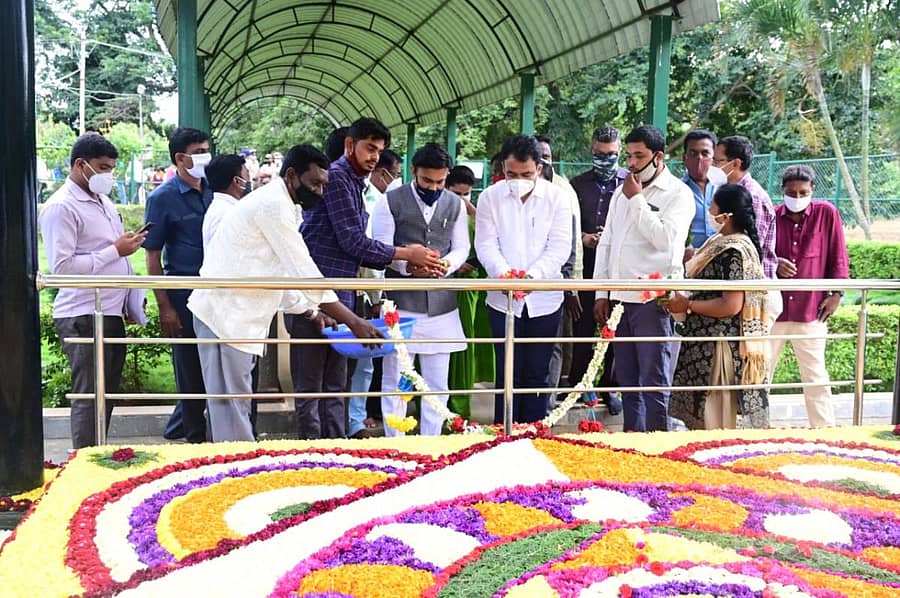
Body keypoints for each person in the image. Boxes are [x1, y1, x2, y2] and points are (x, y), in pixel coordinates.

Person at [188, 145, 382, 442]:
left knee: (230, 405)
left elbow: (280, 273)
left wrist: (311, 311)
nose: (320, 192)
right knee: (231, 405)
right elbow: (305, 272)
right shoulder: (273, 205)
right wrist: (355, 322)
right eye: (314, 183)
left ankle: (231, 467)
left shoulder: (283, 204)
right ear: (292, 175)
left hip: (233, 316)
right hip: (225, 316)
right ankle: (239, 470)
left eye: (324, 185)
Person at [295, 117, 442, 439]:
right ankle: (312, 454)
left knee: (336, 382)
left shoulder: (352, 182)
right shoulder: (336, 179)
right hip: (315, 293)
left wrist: (409, 262)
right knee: (312, 383)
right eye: (370, 148)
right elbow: (352, 241)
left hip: (341, 291)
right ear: (350, 145)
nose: (375, 157)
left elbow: (355, 248)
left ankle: (335, 450)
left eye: (380, 151)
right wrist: (406, 254)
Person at [39, 133, 147, 448]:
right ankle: (82, 463)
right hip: (83, 313)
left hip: (110, 311)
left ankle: (96, 457)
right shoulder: (62, 207)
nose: (107, 175)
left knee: (105, 394)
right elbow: (62, 270)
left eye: (111, 168)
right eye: (102, 167)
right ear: (80, 165)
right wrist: (115, 250)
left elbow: (110, 251)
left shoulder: (104, 201)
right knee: (89, 395)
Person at [592, 125, 694, 432]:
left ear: (658, 157)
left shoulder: (678, 194)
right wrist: (601, 292)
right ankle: (632, 442)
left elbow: (666, 240)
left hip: (654, 300)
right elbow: (608, 241)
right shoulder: (623, 191)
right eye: (630, 155)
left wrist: (636, 200)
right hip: (620, 299)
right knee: (628, 378)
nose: (632, 163)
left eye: (640, 156)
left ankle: (657, 444)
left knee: (655, 378)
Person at [372, 143, 469, 436]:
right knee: (397, 380)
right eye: (427, 181)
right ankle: (396, 442)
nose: (434, 187)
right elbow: (380, 249)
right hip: (401, 306)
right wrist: (407, 267)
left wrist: (446, 266)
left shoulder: (455, 203)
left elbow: (462, 246)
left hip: (442, 307)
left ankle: (431, 442)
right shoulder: (389, 201)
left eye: (440, 181)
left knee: (437, 383)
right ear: (413, 171)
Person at [475, 135, 572, 424]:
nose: (518, 180)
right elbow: (485, 245)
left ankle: (532, 434)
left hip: (544, 299)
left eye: (526, 174)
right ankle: (504, 435)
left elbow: (560, 247)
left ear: (539, 168)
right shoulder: (489, 197)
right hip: (501, 299)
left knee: (537, 374)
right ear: (502, 169)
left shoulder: (558, 198)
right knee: (506, 371)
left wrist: (532, 277)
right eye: (511, 174)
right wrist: (506, 276)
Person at [662, 184, 770, 430]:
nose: (710, 213)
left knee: (717, 419)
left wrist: (687, 304)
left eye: (713, 208)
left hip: (720, 348)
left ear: (726, 215)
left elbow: (731, 305)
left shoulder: (734, 250)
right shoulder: (721, 242)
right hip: (705, 341)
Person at [143, 127, 213, 443]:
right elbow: (153, 256)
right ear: (180, 159)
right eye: (199, 152)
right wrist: (164, 306)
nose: (205, 157)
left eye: (206, 150)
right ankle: (194, 438)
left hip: (219, 293)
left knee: (216, 366)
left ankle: (180, 426)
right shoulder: (162, 198)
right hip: (184, 293)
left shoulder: (217, 190)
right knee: (189, 367)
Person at [769, 165, 849, 428]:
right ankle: (752, 430)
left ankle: (824, 432)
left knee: (816, 377)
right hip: (774, 311)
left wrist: (836, 293)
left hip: (811, 310)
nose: (797, 196)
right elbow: (760, 255)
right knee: (760, 374)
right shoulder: (773, 215)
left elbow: (838, 254)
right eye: (791, 192)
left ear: (812, 191)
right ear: (783, 191)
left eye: (803, 192)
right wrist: (775, 263)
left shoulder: (826, 214)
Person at [569, 125, 629, 414]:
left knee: (614, 328)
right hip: (586, 267)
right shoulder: (576, 184)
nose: (605, 159)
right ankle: (582, 384)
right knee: (583, 329)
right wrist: (584, 238)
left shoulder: (630, 183)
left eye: (611, 154)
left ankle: (610, 387)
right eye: (599, 154)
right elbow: (565, 226)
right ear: (591, 151)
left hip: (617, 269)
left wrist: (611, 239)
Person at [346, 148, 402, 439]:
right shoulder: (356, 197)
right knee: (347, 362)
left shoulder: (382, 201)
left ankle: (355, 420)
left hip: (371, 294)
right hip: (354, 290)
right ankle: (343, 421)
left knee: (365, 363)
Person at [536, 135, 583, 403]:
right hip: (520, 285)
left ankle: (547, 404)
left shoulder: (563, 191)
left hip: (557, 283)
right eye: (539, 156)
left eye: (548, 156)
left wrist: (571, 287)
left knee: (554, 346)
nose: (544, 162)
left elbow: (572, 242)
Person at [446, 165, 495, 418]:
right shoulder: (442, 212)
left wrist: (474, 212)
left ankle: (462, 406)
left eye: (468, 193)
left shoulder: (474, 214)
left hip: (473, 285)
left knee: (468, 342)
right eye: (457, 193)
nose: (463, 199)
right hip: (449, 285)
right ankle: (448, 406)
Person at [681, 129, 719, 250]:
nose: (699, 158)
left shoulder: (725, 188)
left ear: (714, 158)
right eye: (693, 153)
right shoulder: (677, 191)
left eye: (705, 153)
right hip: (687, 260)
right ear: (684, 158)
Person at [202, 154, 250, 248]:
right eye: (247, 175)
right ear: (237, 181)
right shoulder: (227, 213)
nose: (249, 181)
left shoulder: (223, 208)